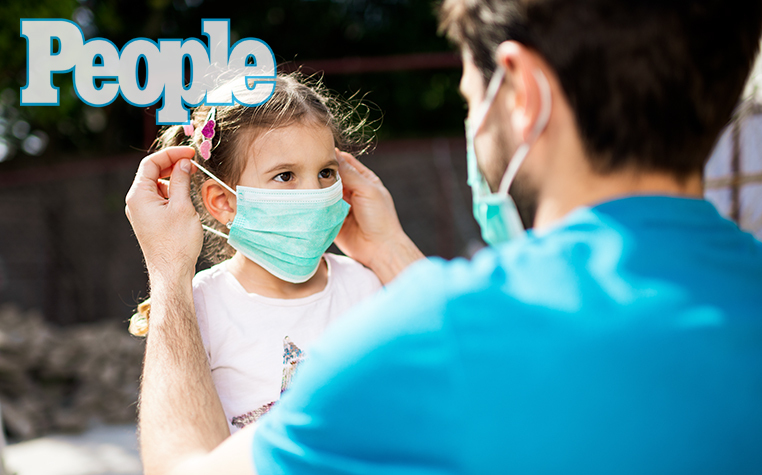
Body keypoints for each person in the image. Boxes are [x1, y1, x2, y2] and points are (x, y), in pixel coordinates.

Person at [124, 1, 762, 474]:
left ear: (522, 94)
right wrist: (388, 251)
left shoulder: (441, 336)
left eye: (468, 95)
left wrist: (167, 277)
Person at [128, 74, 383, 433]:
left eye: (326, 172)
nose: (314, 192)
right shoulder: (197, 308)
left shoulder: (366, 286)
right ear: (223, 202)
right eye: (285, 176)